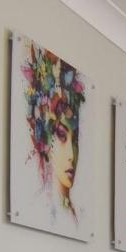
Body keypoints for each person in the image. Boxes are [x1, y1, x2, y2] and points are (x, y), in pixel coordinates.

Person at [21, 41, 85, 224]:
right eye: (62, 136)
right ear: (45, 139)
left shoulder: (79, 216)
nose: (72, 155)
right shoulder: (37, 209)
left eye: (75, 141)